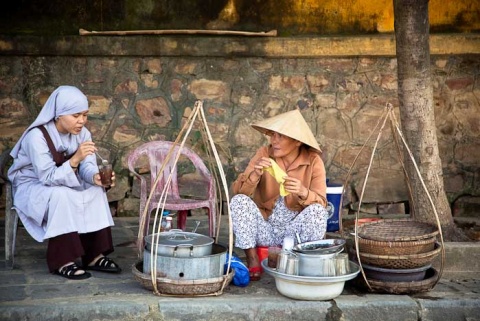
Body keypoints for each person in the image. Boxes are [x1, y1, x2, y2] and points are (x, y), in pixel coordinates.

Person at [8, 85, 121, 280]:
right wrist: (75, 159)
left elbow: (87, 167)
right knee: (62, 194)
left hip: (63, 180)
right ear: (59, 114)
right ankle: (62, 261)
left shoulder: (82, 133)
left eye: (85, 115)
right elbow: (47, 177)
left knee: (95, 190)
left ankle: (93, 255)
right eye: (76, 115)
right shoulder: (37, 136)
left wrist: (94, 177)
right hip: (33, 186)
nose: (82, 121)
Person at [230, 109, 328, 281]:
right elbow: (240, 193)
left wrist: (303, 192)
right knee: (238, 201)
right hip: (265, 228)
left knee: (319, 213)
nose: (274, 141)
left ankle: (302, 261)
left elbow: (322, 202)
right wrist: (254, 176)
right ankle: (252, 259)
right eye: (272, 135)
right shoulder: (264, 154)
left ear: (297, 141)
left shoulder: (313, 161)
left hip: (294, 235)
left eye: (280, 136)